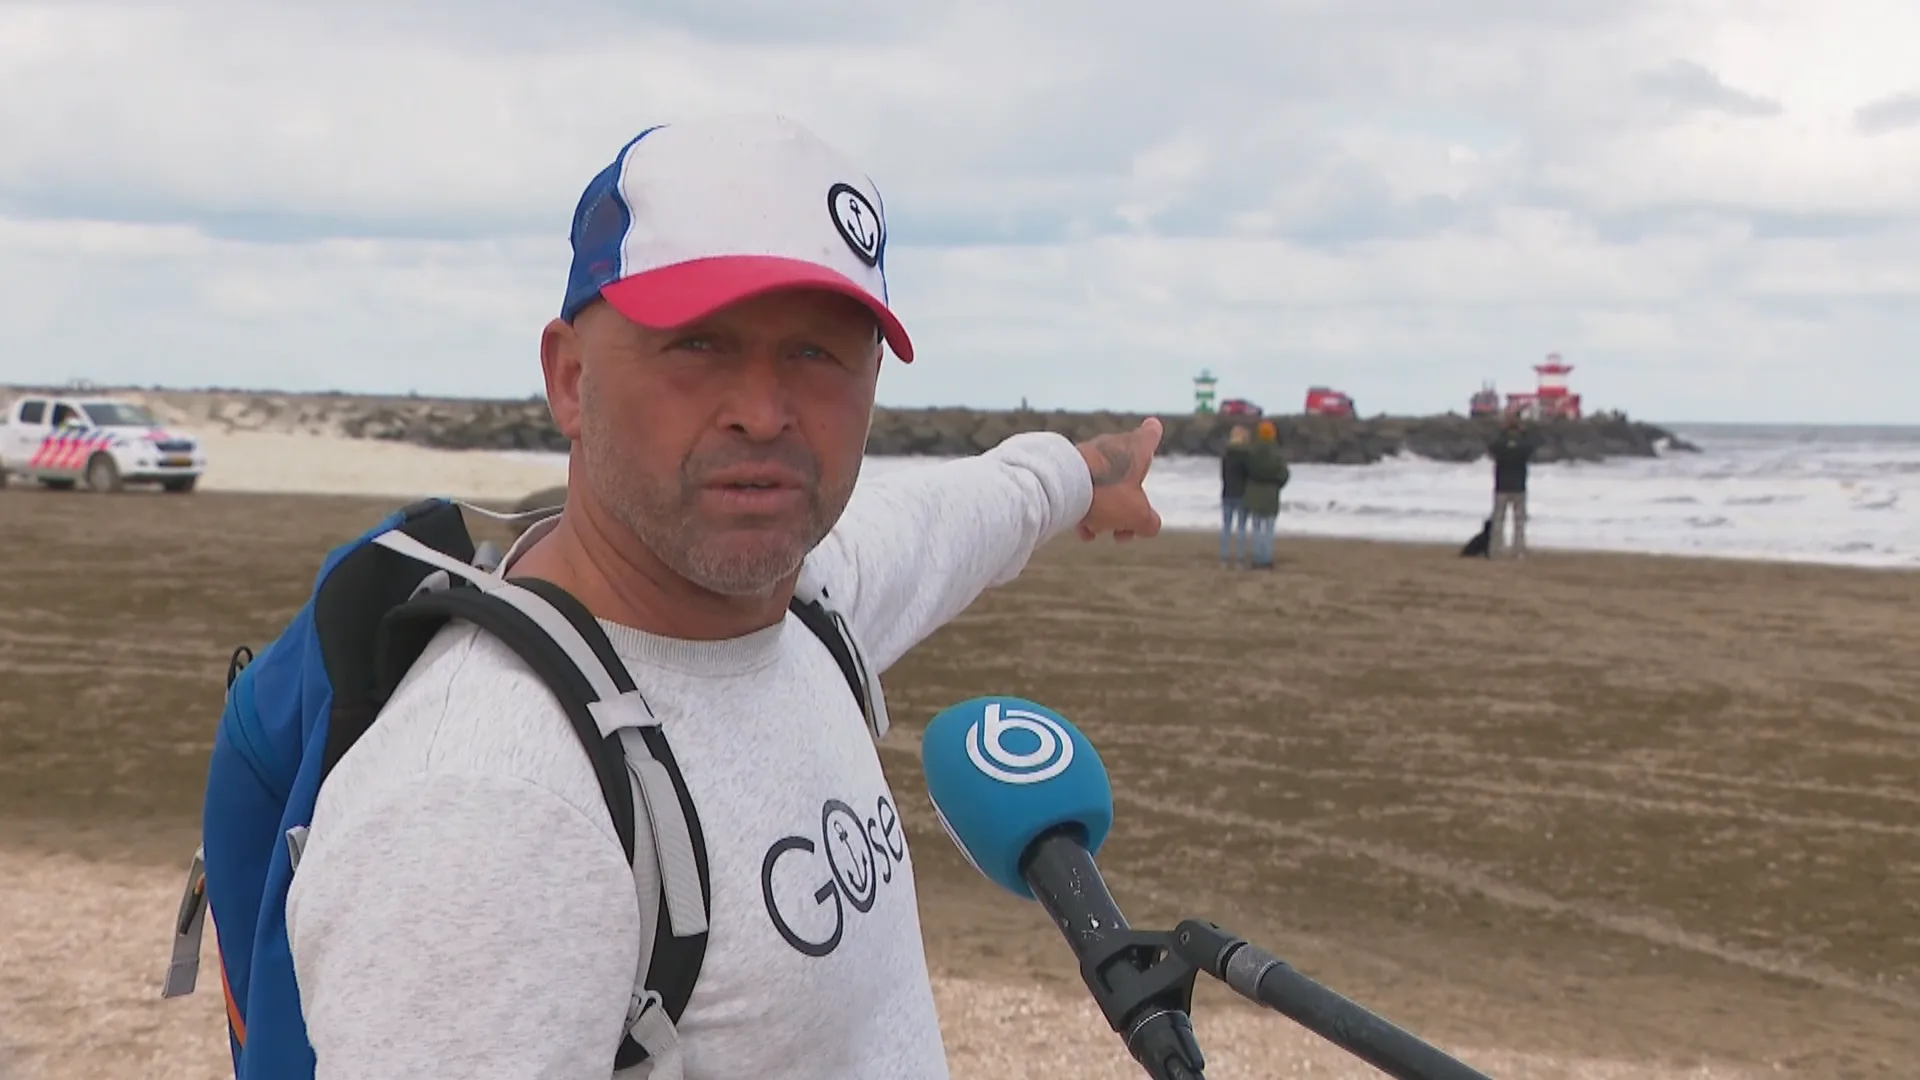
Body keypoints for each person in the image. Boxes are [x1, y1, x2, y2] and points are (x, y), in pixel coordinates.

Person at [281, 115, 1165, 1080]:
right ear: (570, 379)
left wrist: (1088, 471)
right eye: (699, 343)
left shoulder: (805, 610)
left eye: (818, 354)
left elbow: (967, 511)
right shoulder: (488, 804)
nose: (764, 410)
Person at [1240, 420, 1290, 570]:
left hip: (1254, 493)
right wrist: (1277, 485)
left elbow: (1245, 471)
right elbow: (1284, 474)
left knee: (1256, 527)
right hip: (1271, 493)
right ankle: (1266, 558)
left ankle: (1257, 557)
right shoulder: (1277, 453)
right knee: (1268, 528)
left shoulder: (1251, 452)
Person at [1488, 414, 1538, 559]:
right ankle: (1518, 549)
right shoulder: (1523, 444)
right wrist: (1524, 433)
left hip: (1501, 485)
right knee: (1519, 521)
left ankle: (1496, 550)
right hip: (1519, 486)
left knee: (1498, 519)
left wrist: (1502, 432)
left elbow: (1491, 448)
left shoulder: (1501, 444)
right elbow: (1531, 448)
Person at [1218, 424, 1252, 566]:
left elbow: (1223, 475)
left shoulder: (1226, 454)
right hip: (1242, 494)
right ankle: (1240, 559)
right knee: (1242, 528)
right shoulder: (1247, 455)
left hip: (1227, 493)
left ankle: (1224, 558)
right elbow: (1249, 475)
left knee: (1226, 527)